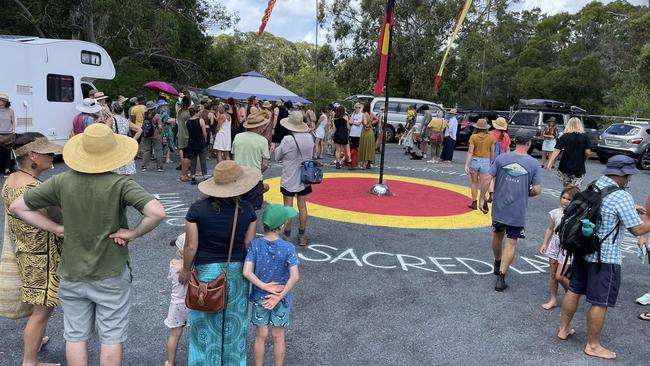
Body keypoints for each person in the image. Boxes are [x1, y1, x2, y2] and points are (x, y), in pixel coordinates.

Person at [9, 123, 166, 366]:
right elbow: (156, 212)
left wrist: (56, 228)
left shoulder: (61, 181)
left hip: (72, 272)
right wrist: (133, 233)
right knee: (111, 337)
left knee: (75, 336)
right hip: (111, 271)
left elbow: (17, 207)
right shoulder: (120, 184)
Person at [558, 155, 650, 360]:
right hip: (605, 257)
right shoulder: (622, 196)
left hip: (583, 249)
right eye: (628, 175)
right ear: (623, 175)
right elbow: (637, 229)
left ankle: (563, 329)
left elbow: (601, 207)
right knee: (599, 302)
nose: (629, 179)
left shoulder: (594, 185)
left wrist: (630, 208)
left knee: (574, 290)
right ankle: (592, 345)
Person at [178, 160, 260, 366]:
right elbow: (249, 244)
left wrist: (186, 270)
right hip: (238, 271)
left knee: (204, 323)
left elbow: (191, 246)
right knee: (234, 324)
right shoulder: (248, 210)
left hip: (206, 272)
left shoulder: (196, 210)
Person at [2, 133, 63, 366]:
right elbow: (51, 220)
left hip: (26, 252)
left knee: (39, 308)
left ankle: (35, 342)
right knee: (42, 311)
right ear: (32, 155)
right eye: (47, 152)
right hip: (42, 256)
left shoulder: (11, 179)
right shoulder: (33, 187)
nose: (53, 156)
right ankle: (31, 361)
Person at [243, 204, 300, 366]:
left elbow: (247, 272)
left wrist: (264, 286)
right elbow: (295, 277)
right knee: (278, 336)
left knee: (260, 335)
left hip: (260, 297)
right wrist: (278, 297)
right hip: (280, 298)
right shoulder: (288, 248)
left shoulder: (255, 245)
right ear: (281, 226)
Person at [488, 133, 542, 291]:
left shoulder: (501, 158)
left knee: (497, 235)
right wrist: (527, 192)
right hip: (517, 209)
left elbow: (488, 177)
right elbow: (537, 190)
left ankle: (497, 261)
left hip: (500, 206)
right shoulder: (533, 163)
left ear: (513, 142)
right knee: (511, 242)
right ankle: (501, 277)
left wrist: (488, 195)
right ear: (529, 143)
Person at [275, 112, 315, 246]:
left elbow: (277, 156)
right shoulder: (310, 138)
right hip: (304, 176)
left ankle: (287, 234)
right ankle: (302, 235)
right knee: (302, 206)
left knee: (288, 206)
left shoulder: (287, 139)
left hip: (289, 176)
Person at [539, 186, 580, 310]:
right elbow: (550, 229)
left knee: (559, 276)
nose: (565, 201)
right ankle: (553, 299)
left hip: (567, 248)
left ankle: (573, 294)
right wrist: (545, 243)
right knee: (553, 275)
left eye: (569, 199)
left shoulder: (577, 216)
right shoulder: (556, 213)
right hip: (555, 245)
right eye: (563, 197)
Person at [232, 111, 271, 210]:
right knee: (252, 211)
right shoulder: (262, 141)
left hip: (239, 177)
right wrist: (258, 172)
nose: (264, 128)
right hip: (255, 179)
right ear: (258, 127)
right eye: (263, 126)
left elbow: (234, 156)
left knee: (238, 208)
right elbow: (265, 164)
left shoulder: (238, 137)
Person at [164, 233, 188, 366]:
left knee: (174, 335)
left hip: (176, 305)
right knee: (195, 334)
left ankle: (170, 362)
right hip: (192, 304)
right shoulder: (194, 267)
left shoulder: (173, 264)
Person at [546, 117, 591, 188]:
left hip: (565, 166)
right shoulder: (585, 137)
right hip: (578, 166)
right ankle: (573, 198)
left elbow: (557, 150)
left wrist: (550, 162)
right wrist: (585, 158)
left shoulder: (564, 136)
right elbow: (588, 152)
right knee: (575, 188)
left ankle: (565, 198)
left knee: (566, 187)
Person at [464, 119, 495, 212]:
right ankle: (483, 198)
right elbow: (492, 152)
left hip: (475, 160)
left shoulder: (473, 137)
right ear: (486, 128)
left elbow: (470, 152)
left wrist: (466, 164)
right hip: (485, 161)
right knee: (483, 183)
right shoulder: (491, 137)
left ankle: (474, 202)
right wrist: (491, 162)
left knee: (474, 183)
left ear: (477, 127)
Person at [109, 102, 139, 176]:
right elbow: (140, 130)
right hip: (125, 145)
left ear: (112, 110)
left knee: (115, 170)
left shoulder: (111, 119)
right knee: (126, 169)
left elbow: (105, 131)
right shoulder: (126, 121)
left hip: (115, 145)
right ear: (122, 110)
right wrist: (133, 140)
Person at [487, 117, 511, 202]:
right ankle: (497, 194)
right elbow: (508, 149)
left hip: (492, 157)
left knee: (489, 176)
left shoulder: (490, 134)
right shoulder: (506, 135)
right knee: (498, 177)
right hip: (503, 158)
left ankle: (491, 192)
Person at [186, 105, 209, 185]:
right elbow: (204, 132)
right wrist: (205, 139)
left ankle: (193, 177)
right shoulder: (201, 120)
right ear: (196, 112)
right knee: (203, 160)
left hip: (191, 142)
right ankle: (205, 176)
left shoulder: (188, 121)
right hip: (200, 142)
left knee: (193, 161)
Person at [140, 101, 164, 172]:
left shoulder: (144, 115)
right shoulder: (157, 116)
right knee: (158, 150)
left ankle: (144, 166)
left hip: (146, 134)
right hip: (156, 135)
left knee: (146, 150)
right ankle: (159, 166)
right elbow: (160, 126)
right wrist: (160, 132)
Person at [0, 93, 16, 176]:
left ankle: (7, 170)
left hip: (8, 135)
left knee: (7, 154)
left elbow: (13, 122)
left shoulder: (10, 111)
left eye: (1, 100)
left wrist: (13, 131)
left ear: (5, 102)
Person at [176, 96, 192, 182]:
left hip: (181, 134)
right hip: (187, 135)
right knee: (188, 156)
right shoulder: (188, 113)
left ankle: (183, 174)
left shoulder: (179, 111)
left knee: (184, 153)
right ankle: (184, 175)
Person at [357, 104, 376, 169]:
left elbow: (365, 123)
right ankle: (368, 163)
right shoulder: (371, 114)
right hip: (371, 132)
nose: (360, 108)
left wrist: (367, 125)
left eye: (361, 107)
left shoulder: (365, 114)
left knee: (365, 146)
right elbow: (377, 119)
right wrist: (371, 124)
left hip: (365, 132)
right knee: (369, 147)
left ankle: (364, 164)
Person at [158, 100, 176, 164]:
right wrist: (176, 120)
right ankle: (167, 159)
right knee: (167, 144)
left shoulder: (159, 112)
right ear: (162, 106)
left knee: (164, 144)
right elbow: (167, 120)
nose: (166, 107)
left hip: (162, 130)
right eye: (165, 105)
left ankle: (165, 158)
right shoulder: (164, 113)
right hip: (166, 131)